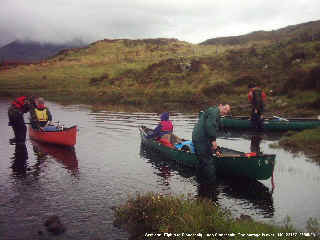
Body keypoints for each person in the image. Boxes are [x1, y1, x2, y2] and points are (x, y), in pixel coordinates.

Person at [192, 104, 231, 180]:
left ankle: (200, 181)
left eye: (227, 111)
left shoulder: (216, 113)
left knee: (202, 162)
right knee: (208, 162)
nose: (226, 112)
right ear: (220, 106)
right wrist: (213, 141)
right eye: (225, 109)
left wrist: (225, 131)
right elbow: (210, 126)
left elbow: (218, 124)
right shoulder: (214, 112)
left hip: (201, 138)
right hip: (201, 139)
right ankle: (211, 185)